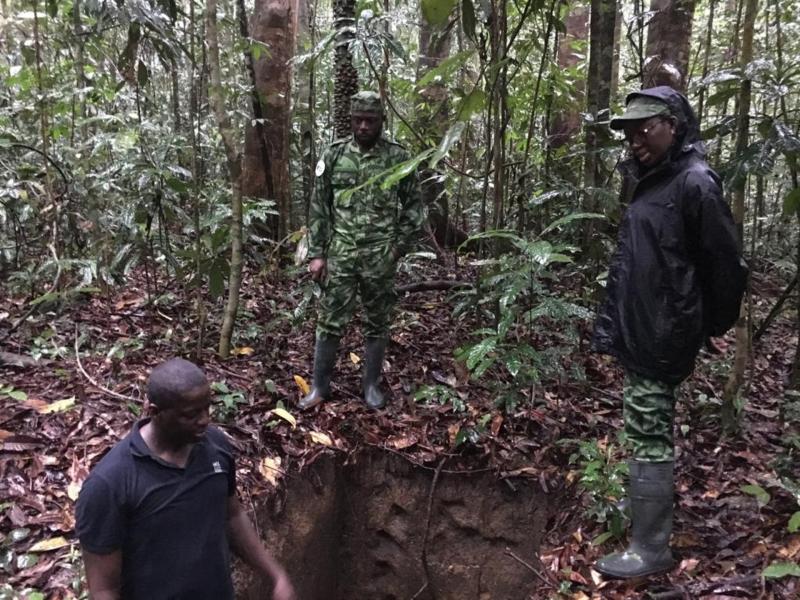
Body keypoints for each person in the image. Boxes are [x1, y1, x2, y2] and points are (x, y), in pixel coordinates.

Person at [591, 86, 748, 578]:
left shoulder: (695, 183)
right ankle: (642, 520)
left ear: (674, 125)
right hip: (642, 323)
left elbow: (725, 265)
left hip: (663, 329)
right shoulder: (651, 179)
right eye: (630, 131)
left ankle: (651, 548)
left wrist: (706, 322)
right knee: (641, 421)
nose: (636, 139)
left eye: (646, 128)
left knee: (649, 427)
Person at [75, 358, 296, 600]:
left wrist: (275, 575)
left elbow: (231, 515)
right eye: (190, 415)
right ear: (155, 412)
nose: (204, 420)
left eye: (206, 408)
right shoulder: (111, 483)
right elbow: (104, 589)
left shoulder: (216, 447)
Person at [300, 90, 424, 411]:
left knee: (378, 321)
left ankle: (370, 386)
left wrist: (396, 251)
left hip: (379, 257)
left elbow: (414, 208)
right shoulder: (334, 155)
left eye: (371, 120)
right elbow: (319, 207)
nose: (365, 126)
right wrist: (317, 254)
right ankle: (319, 387)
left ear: (382, 121)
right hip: (340, 254)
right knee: (329, 321)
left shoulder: (397, 158)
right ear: (351, 120)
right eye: (359, 120)